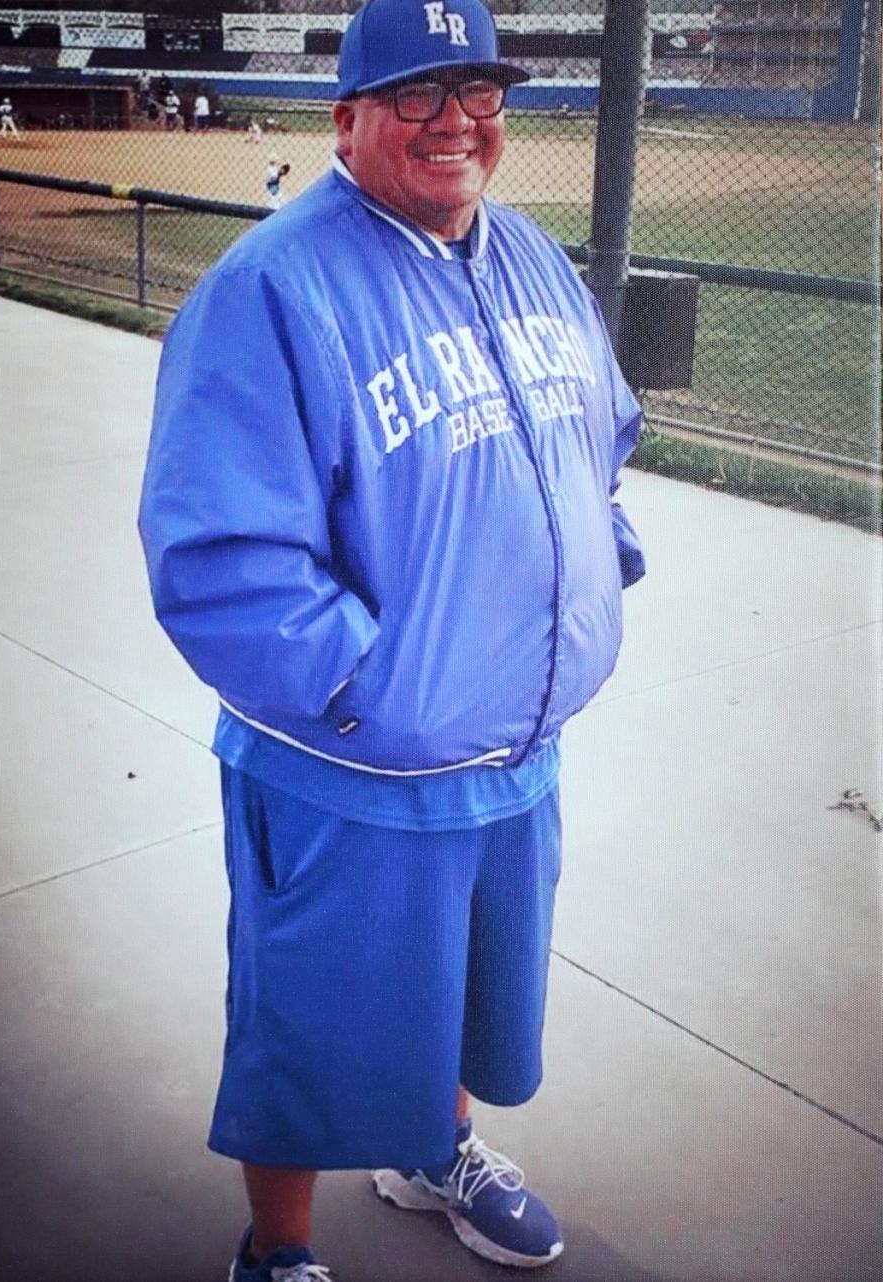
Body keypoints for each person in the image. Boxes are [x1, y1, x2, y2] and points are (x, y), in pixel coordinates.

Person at [138, 1, 645, 1279]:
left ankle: (432, 1151)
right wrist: (373, 686)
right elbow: (220, 564)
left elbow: (605, 437)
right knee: (308, 1031)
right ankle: (279, 1247)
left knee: (463, 994)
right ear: (347, 118)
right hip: (354, 766)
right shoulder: (270, 288)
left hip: (514, 749)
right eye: (416, 94)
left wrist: (597, 574)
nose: (453, 121)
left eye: (476, 91)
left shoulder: (529, 255)